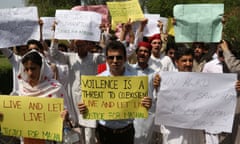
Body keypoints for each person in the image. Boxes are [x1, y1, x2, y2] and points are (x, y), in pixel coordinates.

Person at [78, 40, 152, 144]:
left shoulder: (136, 80)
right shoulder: (97, 80)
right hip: (104, 133)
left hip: (126, 133)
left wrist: (147, 104)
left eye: (119, 57)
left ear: (125, 59)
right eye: (111, 57)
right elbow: (89, 106)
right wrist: (84, 108)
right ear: (106, 60)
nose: (115, 60)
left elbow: (144, 105)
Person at [50, 39, 105, 144]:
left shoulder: (94, 57)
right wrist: (55, 41)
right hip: (74, 99)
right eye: (77, 45)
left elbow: (108, 57)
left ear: (87, 45)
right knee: (80, 131)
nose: (79, 48)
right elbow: (54, 54)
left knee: (90, 134)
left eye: (82, 45)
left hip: (90, 100)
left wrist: (103, 44)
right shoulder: (70, 57)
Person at [17, 50, 71, 144]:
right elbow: (16, 114)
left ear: (41, 68)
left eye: (33, 68)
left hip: (50, 139)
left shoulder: (55, 88)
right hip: (27, 139)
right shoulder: (22, 89)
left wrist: (65, 115)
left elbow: (67, 113)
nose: (30, 73)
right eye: (26, 69)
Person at [155, 47, 205, 144]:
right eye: (184, 60)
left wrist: (232, 88)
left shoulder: (200, 81)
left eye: (190, 60)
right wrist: (156, 86)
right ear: (176, 62)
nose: (188, 63)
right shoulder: (165, 81)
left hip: (195, 133)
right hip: (174, 134)